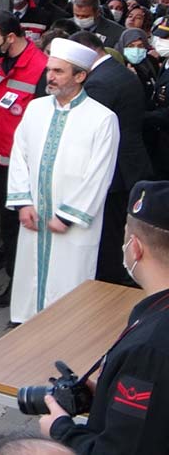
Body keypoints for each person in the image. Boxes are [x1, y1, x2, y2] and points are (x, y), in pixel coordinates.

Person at [39, 181, 169, 453]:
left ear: (135, 247)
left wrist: (61, 430)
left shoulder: (149, 346)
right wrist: (108, 391)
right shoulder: (155, 311)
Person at [7, 38, 119, 324]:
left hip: (73, 222)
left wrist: (68, 216)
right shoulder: (36, 109)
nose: (51, 77)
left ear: (80, 76)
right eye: (49, 70)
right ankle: (27, 327)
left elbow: (99, 175)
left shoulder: (102, 119)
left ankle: (66, 334)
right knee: (30, 276)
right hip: (34, 214)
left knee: (69, 281)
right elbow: (19, 155)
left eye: (59, 71)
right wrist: (23, 202)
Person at [69, 31, 156, 286]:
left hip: (116, 168)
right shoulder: (118, 71)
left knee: (110, 236)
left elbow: (89, 130)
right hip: (129, 163)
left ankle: (111, 286)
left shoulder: (99, 83)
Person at [0, 11, 47, 309]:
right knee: (8, 225)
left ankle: (22, 285)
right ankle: (14, 278)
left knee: (22, 227)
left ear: (11, 37)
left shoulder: (41, 68)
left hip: (24, 163)